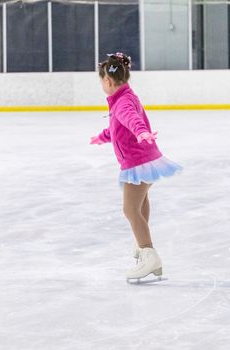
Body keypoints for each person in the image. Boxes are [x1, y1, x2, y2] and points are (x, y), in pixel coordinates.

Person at [90, 52, 182, 281]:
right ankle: (142, 246)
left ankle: (149, 254)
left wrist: (141, 131)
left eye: (101, 81)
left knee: (130, 209)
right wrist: (102, 137)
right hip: (145, 159)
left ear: (108, 81)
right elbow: (116, 128)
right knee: (139, 205)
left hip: (138, 162)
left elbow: (132, 119)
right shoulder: (124, 97)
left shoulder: (122, 103)